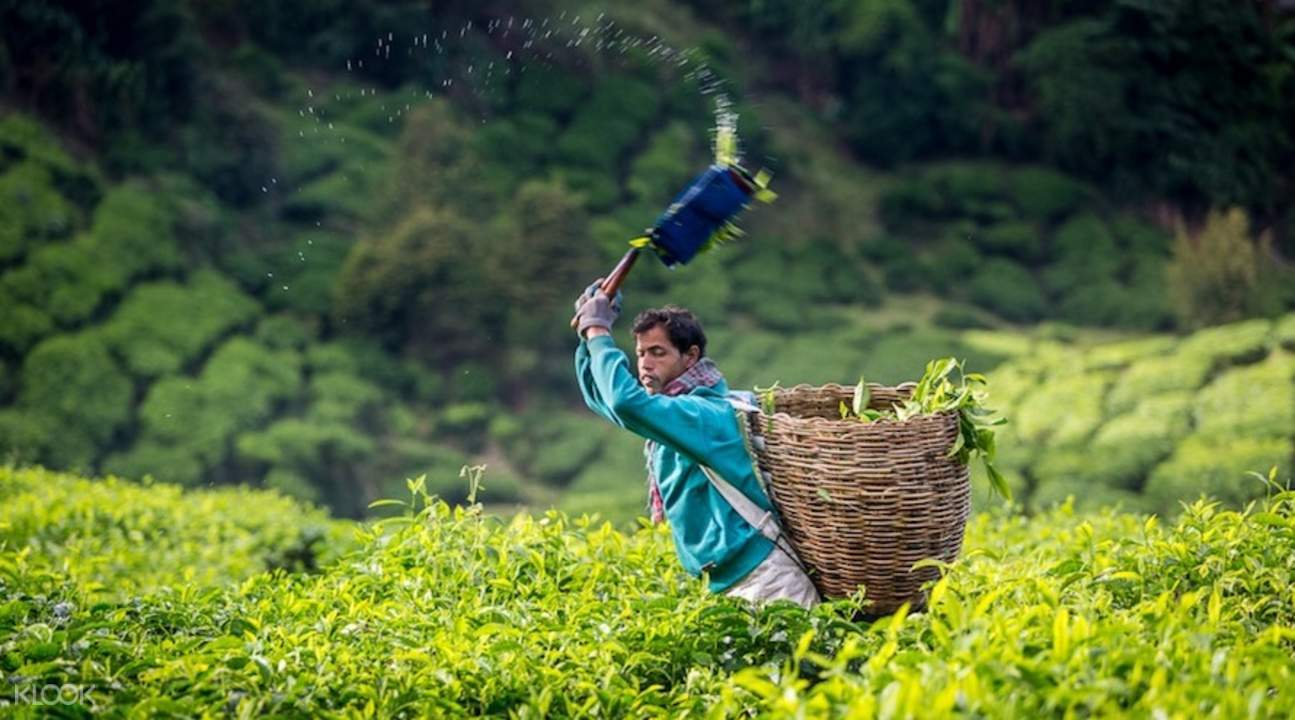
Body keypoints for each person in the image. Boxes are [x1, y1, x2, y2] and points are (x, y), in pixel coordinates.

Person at [572, 280, 820, 609]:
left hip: (767, 579)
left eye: (658, 353)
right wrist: (587, 336)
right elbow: (602, 399)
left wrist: (598, 329)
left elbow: (623, 403)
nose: (645, 364)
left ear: (690, 357)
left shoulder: (703, 413)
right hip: (727, 583)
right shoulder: (669, 414)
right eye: (641, 353)